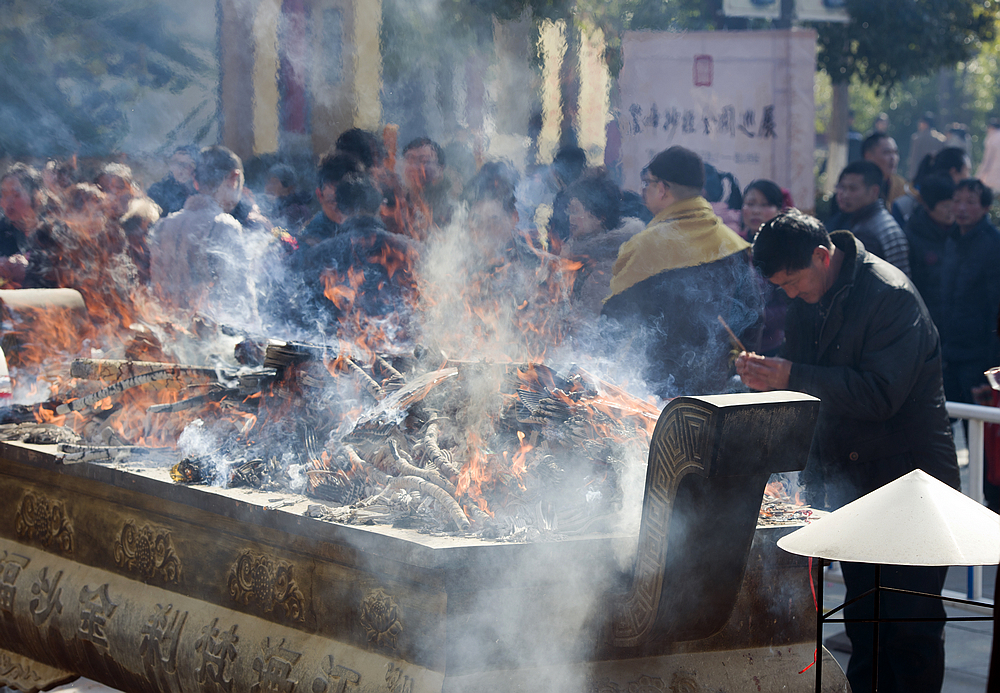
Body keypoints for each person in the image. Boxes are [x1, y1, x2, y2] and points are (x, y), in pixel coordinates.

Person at [736, 209, 961, 693]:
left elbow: (881, 394)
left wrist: (790, 374)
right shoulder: (807, 296)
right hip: (851, 482)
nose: (792, 294)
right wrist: (769, 381)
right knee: (864, 623)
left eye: (794, 282)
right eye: (783, 288)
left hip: (909, 481)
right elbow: (810, 385)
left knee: (908, 626)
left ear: (822, 255)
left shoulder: (890, 296)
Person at [601, 146, 763, 398]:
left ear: (663, 189)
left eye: (648, 183)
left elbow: (612, 323)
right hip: (715, 389)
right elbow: (753, 318)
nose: (645, 190)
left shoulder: (645, 247)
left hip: (653, 392)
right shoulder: (733, 244)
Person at [149, 145, 258, 328]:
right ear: (234, 178)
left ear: (195, 181)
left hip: (168, 335)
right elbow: (240, 297)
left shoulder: (163, 225)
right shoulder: (223, 225)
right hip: (208, 340)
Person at [561, 170, 645, 318]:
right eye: (569, 210)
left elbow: (589, 325)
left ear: (600, 217)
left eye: (575, 211)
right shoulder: (577, 252)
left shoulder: (609, 263)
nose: (570, 218)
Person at [827, 161, 911, 276]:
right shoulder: (880, 218)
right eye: (841, 187)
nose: (844, 194)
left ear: (874, 191)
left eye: (852, 189)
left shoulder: (866, 232)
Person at [904, 175, 955, 328]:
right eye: (946, 205)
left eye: (955, 203)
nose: (952, 210)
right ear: (927, 206)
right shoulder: (912, 235)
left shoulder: (961, 232)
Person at [892, 147, 970, 227]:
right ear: (954, 173)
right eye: (967, 171)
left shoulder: (902, 202)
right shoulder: (907, 205)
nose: (969, 177)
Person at [402, 137, 457, 235]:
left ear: (440, 169)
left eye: (424, 161)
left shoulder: (453, 214)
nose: (415, 167)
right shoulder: (394, 209)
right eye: (410, 160)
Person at [861, 132, 911, 209]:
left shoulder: (902, 186)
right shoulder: (855, 186)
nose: (893, 158)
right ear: (868, 156)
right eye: (887, 152)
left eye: (895, 153)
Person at [147, 146, 198, 215]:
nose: (182, 170)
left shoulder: (198, 192)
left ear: (193, 168)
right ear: (171, 166)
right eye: (178, 164)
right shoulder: (158, 190)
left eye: (187, 165)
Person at [907, 112, 947, 181]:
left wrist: (911, 175)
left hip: (920, 174)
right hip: (936, 174)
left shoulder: (917, 138)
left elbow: (914, 158)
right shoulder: (941, 139)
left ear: (925, 124)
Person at [975, 117, 1000, 193]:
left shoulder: (992, 138)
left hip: (994, 176)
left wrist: (978, 177)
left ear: (991, 128)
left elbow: (987, 160)